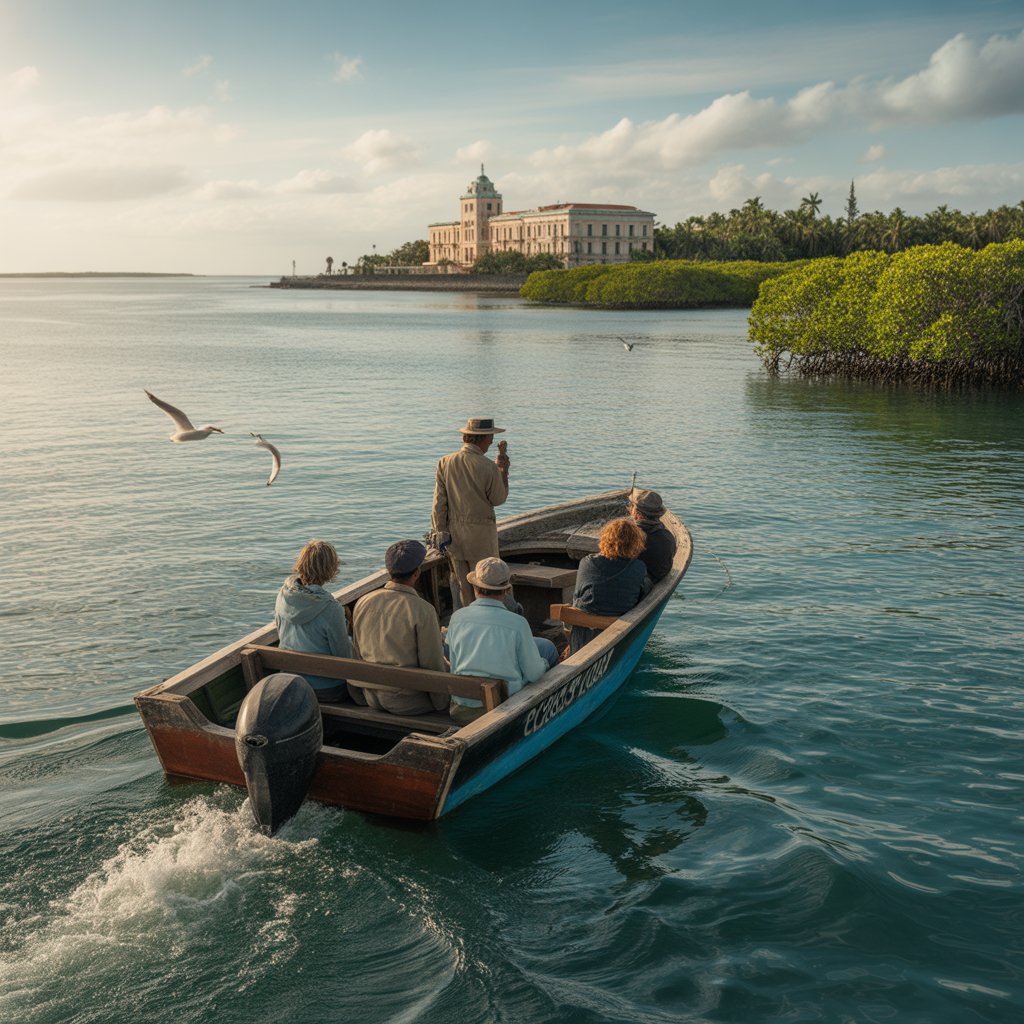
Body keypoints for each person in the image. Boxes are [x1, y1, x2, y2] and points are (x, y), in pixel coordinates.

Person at [446, 557, 557, 726]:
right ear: (506, 591)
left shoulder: (456, 618)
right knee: (547, 652)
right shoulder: (518, 623)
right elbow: (534, 674)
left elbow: (453, 663)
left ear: (475, 588)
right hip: (503, 708)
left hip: (462, 709)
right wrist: (544, 663)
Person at [350, 540, 449, 716]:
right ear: (417, 572)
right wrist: (442, 704)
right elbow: (432, 664)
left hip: (371, 696)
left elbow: (357, 650)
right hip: (408, 701)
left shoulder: (363, 602)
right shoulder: (423, 610)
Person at [432, 416, 510, 608]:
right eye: (490, 438)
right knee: (488, 586)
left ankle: (467, 618)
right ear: (483, 438)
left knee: (464, 588)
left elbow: (439, 504)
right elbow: (498, 499)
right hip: (481, 537)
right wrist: (503, 471)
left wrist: (440, 532)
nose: (491, 442)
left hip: (455, 537)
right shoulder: (488, 466)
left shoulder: (445, 462)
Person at [274, 539, 352, 702]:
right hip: (326, 690)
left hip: (289, 681)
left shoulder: (283, 594)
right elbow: (344, 657)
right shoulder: (331, 609)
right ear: (331, 569)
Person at [570, 518, 651, 654]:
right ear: (635, 544)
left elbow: (576, 596)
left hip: (583, 630)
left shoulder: (587, 562)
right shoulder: (639, 567)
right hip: (619, 623)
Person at [628, 489, 677, 583]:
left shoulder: (630, 536)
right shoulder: (668, 536)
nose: (630, 509)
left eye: (632, 506)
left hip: (639, 583)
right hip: (657, 578)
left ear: (638, 514)